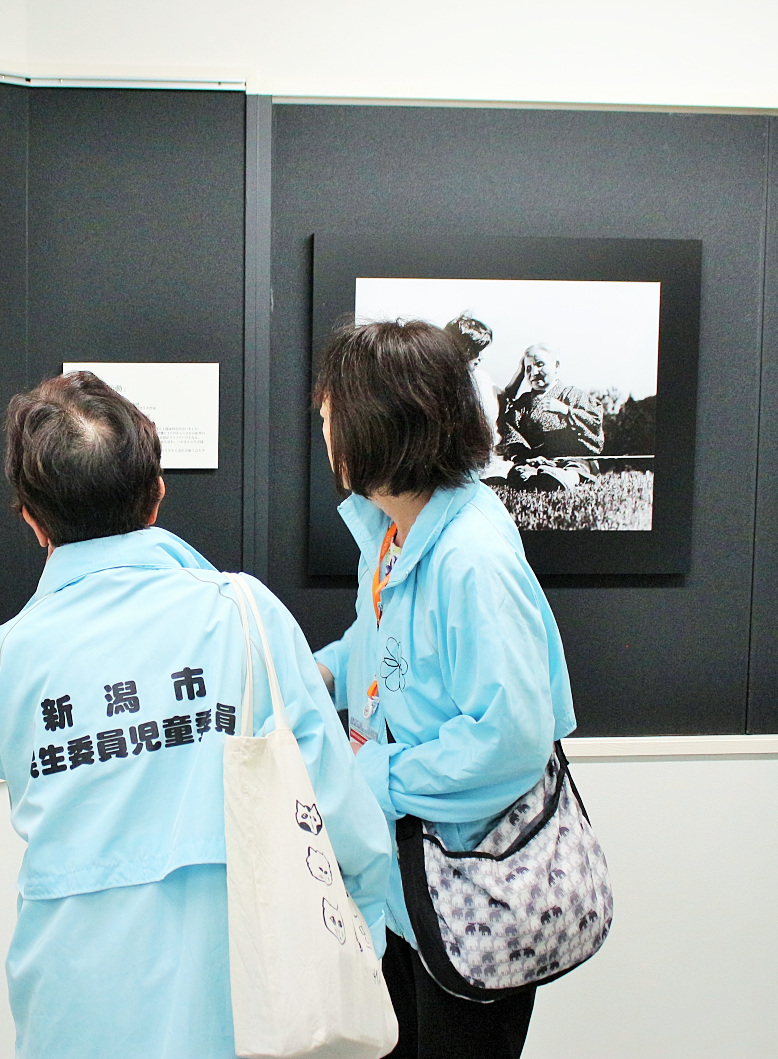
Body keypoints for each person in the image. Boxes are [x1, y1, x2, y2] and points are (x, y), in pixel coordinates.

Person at [0, 371, 392, 1059]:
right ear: (157, 491)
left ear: (32, 520)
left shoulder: (14, 651)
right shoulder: (243, 611)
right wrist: (366, 921)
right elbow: (338, 809)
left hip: (72, 1003)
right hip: (240, 996)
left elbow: (14, 768)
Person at [312, 320, 577, 1059]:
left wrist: (370, 776)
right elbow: (388, 643)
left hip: (472, 889)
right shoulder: (397, 530)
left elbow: (509, 740)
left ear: (380, 425)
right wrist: (325, 668)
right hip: (411, 882)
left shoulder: (471, 558)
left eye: (333, 413)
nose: (324, 427)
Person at [491, 343, 604, 491]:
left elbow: (594, 421)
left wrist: (566, 411)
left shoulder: (573, 395)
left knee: (575, 468)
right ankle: (538, 479)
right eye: (528, 369)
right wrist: (523, 454)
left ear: (556, 366)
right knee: (520, 471)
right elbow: (509, 425)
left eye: (540, 364)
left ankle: (565, 478)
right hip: (535, 459)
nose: (534, 372)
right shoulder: (524, 402)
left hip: (570, 456)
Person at [445, 312, 502, 465]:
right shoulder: (440, 380)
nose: (480, 357)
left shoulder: (481, 379)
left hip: (481, 452)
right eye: (476, 351)